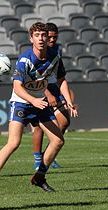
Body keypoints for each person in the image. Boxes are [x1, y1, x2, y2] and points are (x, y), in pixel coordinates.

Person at [0, 22, 76, 196]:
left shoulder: (55, 57)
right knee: (13, 143)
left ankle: (39, 177)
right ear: (31, 38)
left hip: (39, 102)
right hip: (22, 102)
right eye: (37, 35)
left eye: (43, 35)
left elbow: (61, 80)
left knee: (58, 141)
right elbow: (17, 88)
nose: (41, 38)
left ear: (48, 38)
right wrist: (34, 100)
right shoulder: (25, 60)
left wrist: (68, 100)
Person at [32, 22, 78, 170]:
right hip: (38, 89)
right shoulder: (37, 52)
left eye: (54, 38)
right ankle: (38, 159)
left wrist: (68, 98)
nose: (51, 40)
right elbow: (34, 77)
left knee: (64, 121)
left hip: (54, 87)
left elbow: (60, 76)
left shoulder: (57, 51)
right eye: (49, 37)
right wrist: (47, 93)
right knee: (39, 127)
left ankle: (49, 154)